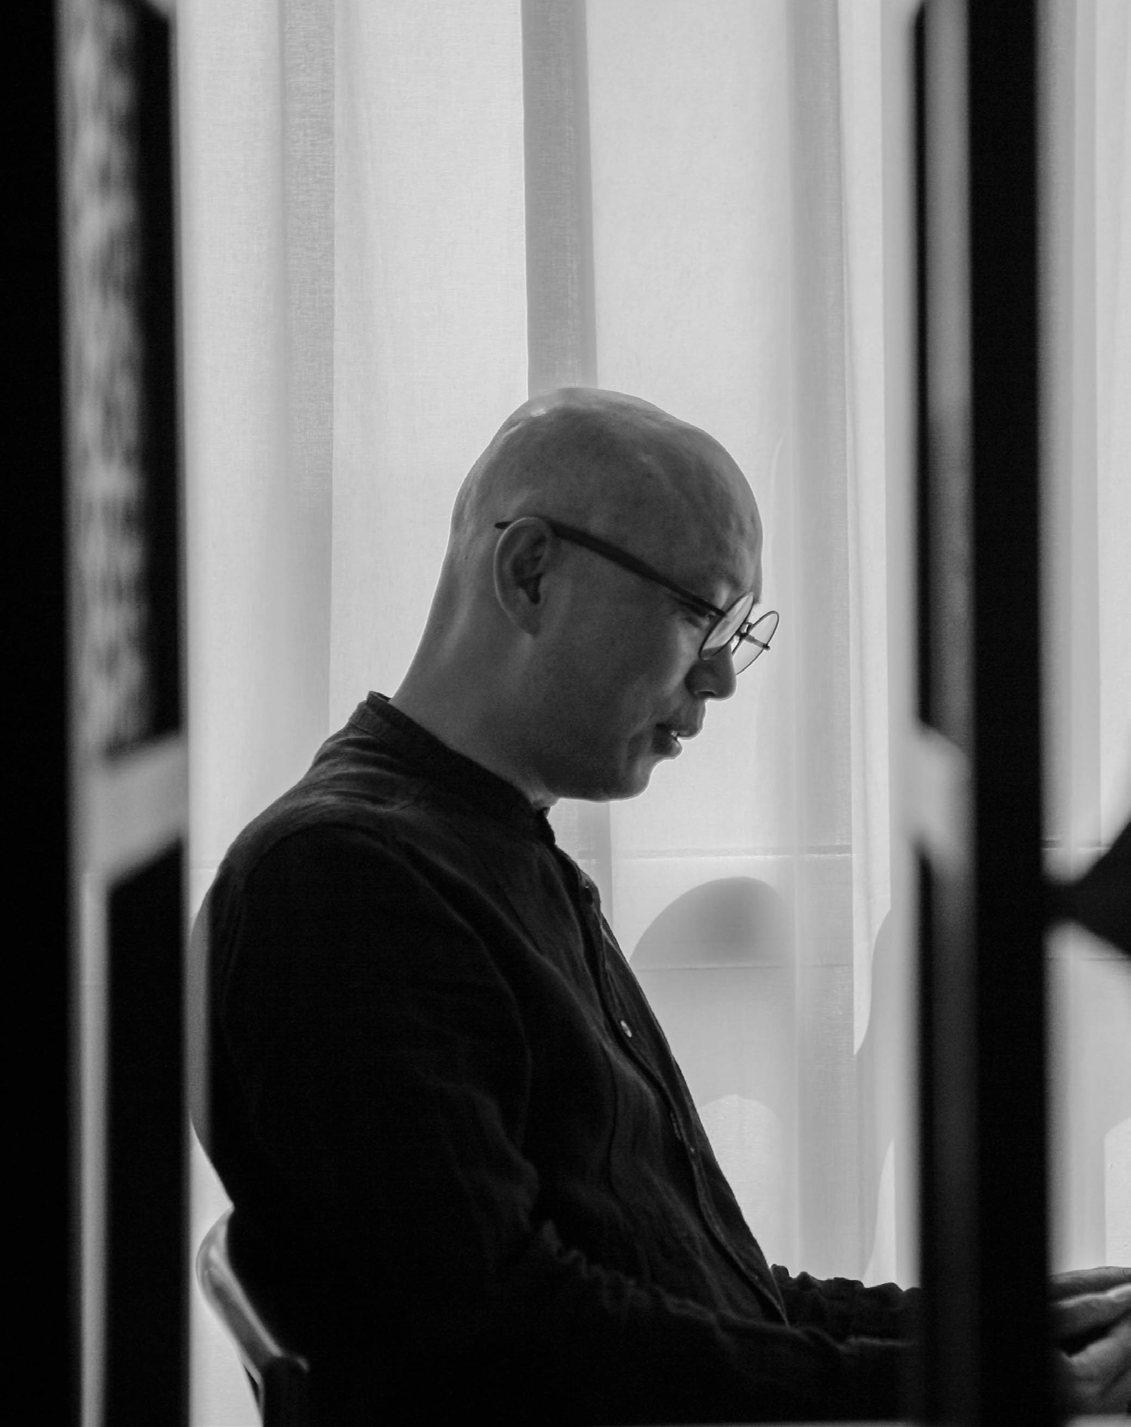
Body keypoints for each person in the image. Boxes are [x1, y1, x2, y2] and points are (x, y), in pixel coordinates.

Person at [191, 387, 1131, 1423]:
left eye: (736, 629)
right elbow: (503, 1344)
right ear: (530, 571)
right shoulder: (344, 884)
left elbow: (693, 1290)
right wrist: (952, 1378)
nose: (721, 676)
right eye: (699, 613)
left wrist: (977, 1332)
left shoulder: (476, 850)